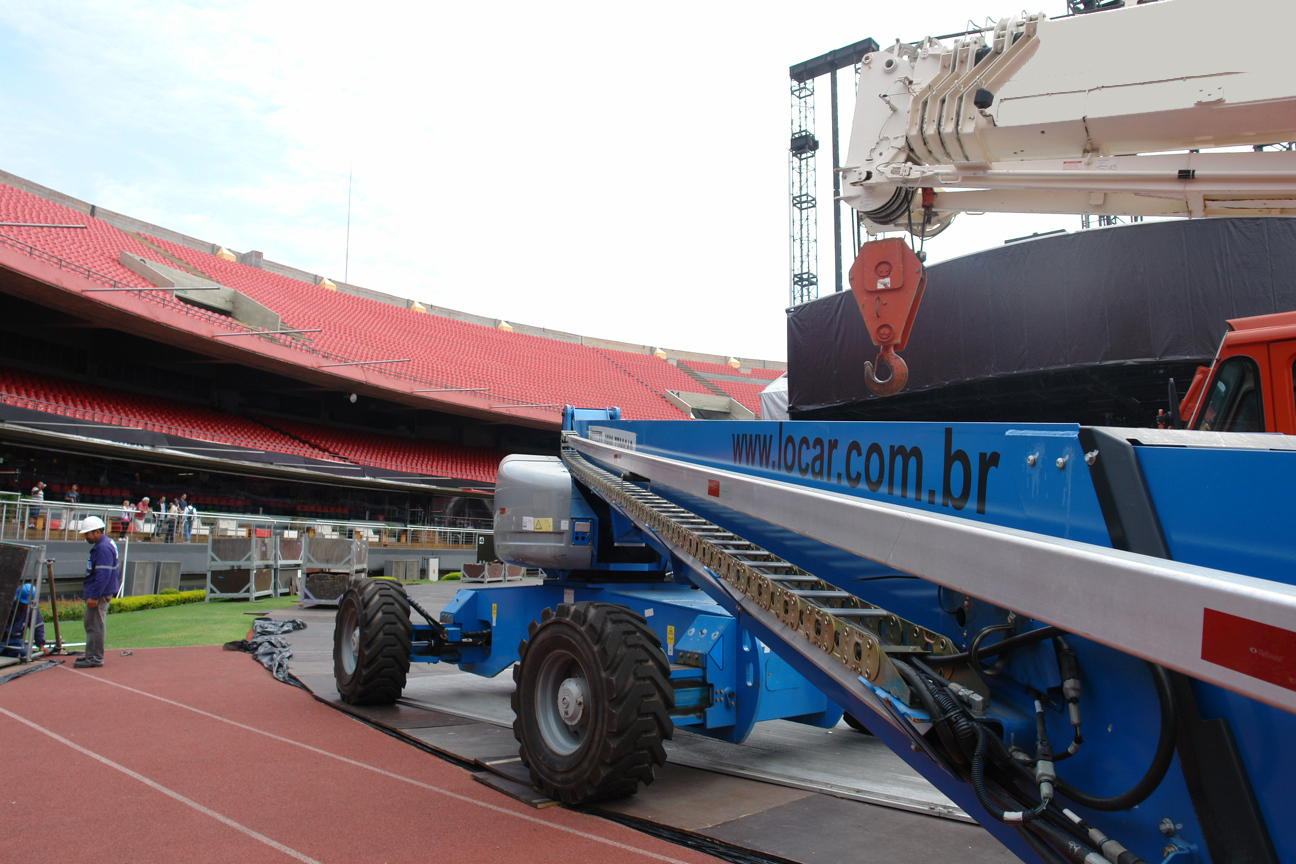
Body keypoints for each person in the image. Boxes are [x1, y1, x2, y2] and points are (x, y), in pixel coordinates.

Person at [76, 516, 120, 669]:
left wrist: (94, 596)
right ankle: (91, 655)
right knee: (92, 625)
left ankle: (95, 658)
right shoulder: (105, 544)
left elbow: (103, 575)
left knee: (95, 626)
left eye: (87, 534)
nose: (85, 537)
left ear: (97, 532)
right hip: (99, 592)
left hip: (99, 594)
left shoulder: (102, 548)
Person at [1, 583, 47, 659]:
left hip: (16, 641)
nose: (24, 606)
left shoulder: (31, 609)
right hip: (2, 639)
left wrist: (41, 645)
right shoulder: (6, 606)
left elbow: (38, 626)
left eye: (27, 604)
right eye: (22, 603)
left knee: (26, 655)